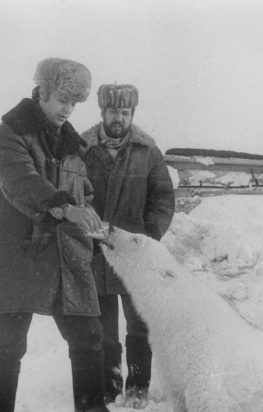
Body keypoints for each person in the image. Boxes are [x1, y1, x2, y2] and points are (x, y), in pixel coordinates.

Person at [0, 58, 111, 412]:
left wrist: (89, 216)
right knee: (10, 344)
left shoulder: (72, 144)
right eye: (63, 99)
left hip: (66, 254)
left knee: (88, 337)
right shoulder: (9, 134)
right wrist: (65, 207)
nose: (68, 109)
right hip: (19, 253)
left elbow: (83, 191)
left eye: (74, 103)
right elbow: (21, 182)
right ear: (43, 92)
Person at [80, 84, 175, 407]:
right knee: (102, 325)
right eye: (113, 112)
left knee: (138, 323)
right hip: (96, 253)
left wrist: (148, 236)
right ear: (102, 112)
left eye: (125, 112)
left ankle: (137, 385)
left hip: (135, 254)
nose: (118, 118)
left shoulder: (147, 152)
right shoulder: (83, 150)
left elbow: (163, 198)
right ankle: (110, 384)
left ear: (132, 114)